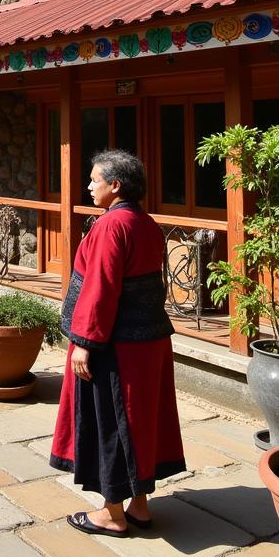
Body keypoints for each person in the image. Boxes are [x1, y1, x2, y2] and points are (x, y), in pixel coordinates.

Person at [50, 149, 185, 537]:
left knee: (112, 421)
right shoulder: (146, 223)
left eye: (94, 179)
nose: (89, 186)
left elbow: (101, 288)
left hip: (117, 346)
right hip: (149, 342)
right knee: (140, 421)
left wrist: (85, 343)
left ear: (115, 185)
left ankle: (112, 513)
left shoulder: (112, 226)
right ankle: (139, 506)